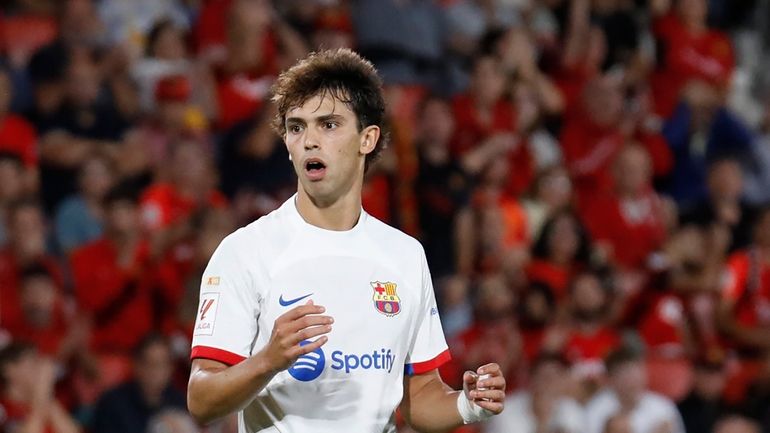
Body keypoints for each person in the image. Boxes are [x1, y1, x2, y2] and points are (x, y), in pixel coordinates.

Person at [187, 48, 506, 432]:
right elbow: (201, 400)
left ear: (367, 139)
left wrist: (468, 404)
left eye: (329, 124)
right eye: (296, 127)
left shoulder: (404, 256)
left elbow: (419, 396)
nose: (309, 141)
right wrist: (267, 360)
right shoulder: (244, 252)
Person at [92, 333, 186, 433]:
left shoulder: (179, 403)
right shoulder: (112, 404)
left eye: (161, 364)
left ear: (171, 368)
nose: (155, 372)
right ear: (136, 365)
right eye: (149, 364)